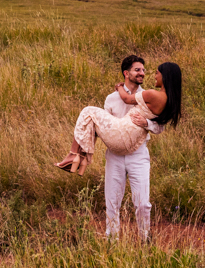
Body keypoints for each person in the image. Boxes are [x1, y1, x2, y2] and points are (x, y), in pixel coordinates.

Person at [54, 56, 182, 241]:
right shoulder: (111, 99)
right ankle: (111, 238)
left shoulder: (147, 95)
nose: (143, 73)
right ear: (126, 73)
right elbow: (103, 127)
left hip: (138, 154)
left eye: (144, 70)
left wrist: (146, 123)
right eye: (138, 70)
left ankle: (145, 237)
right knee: (112, 200)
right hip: (115, 154)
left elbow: (159, 127)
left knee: (142, 203)